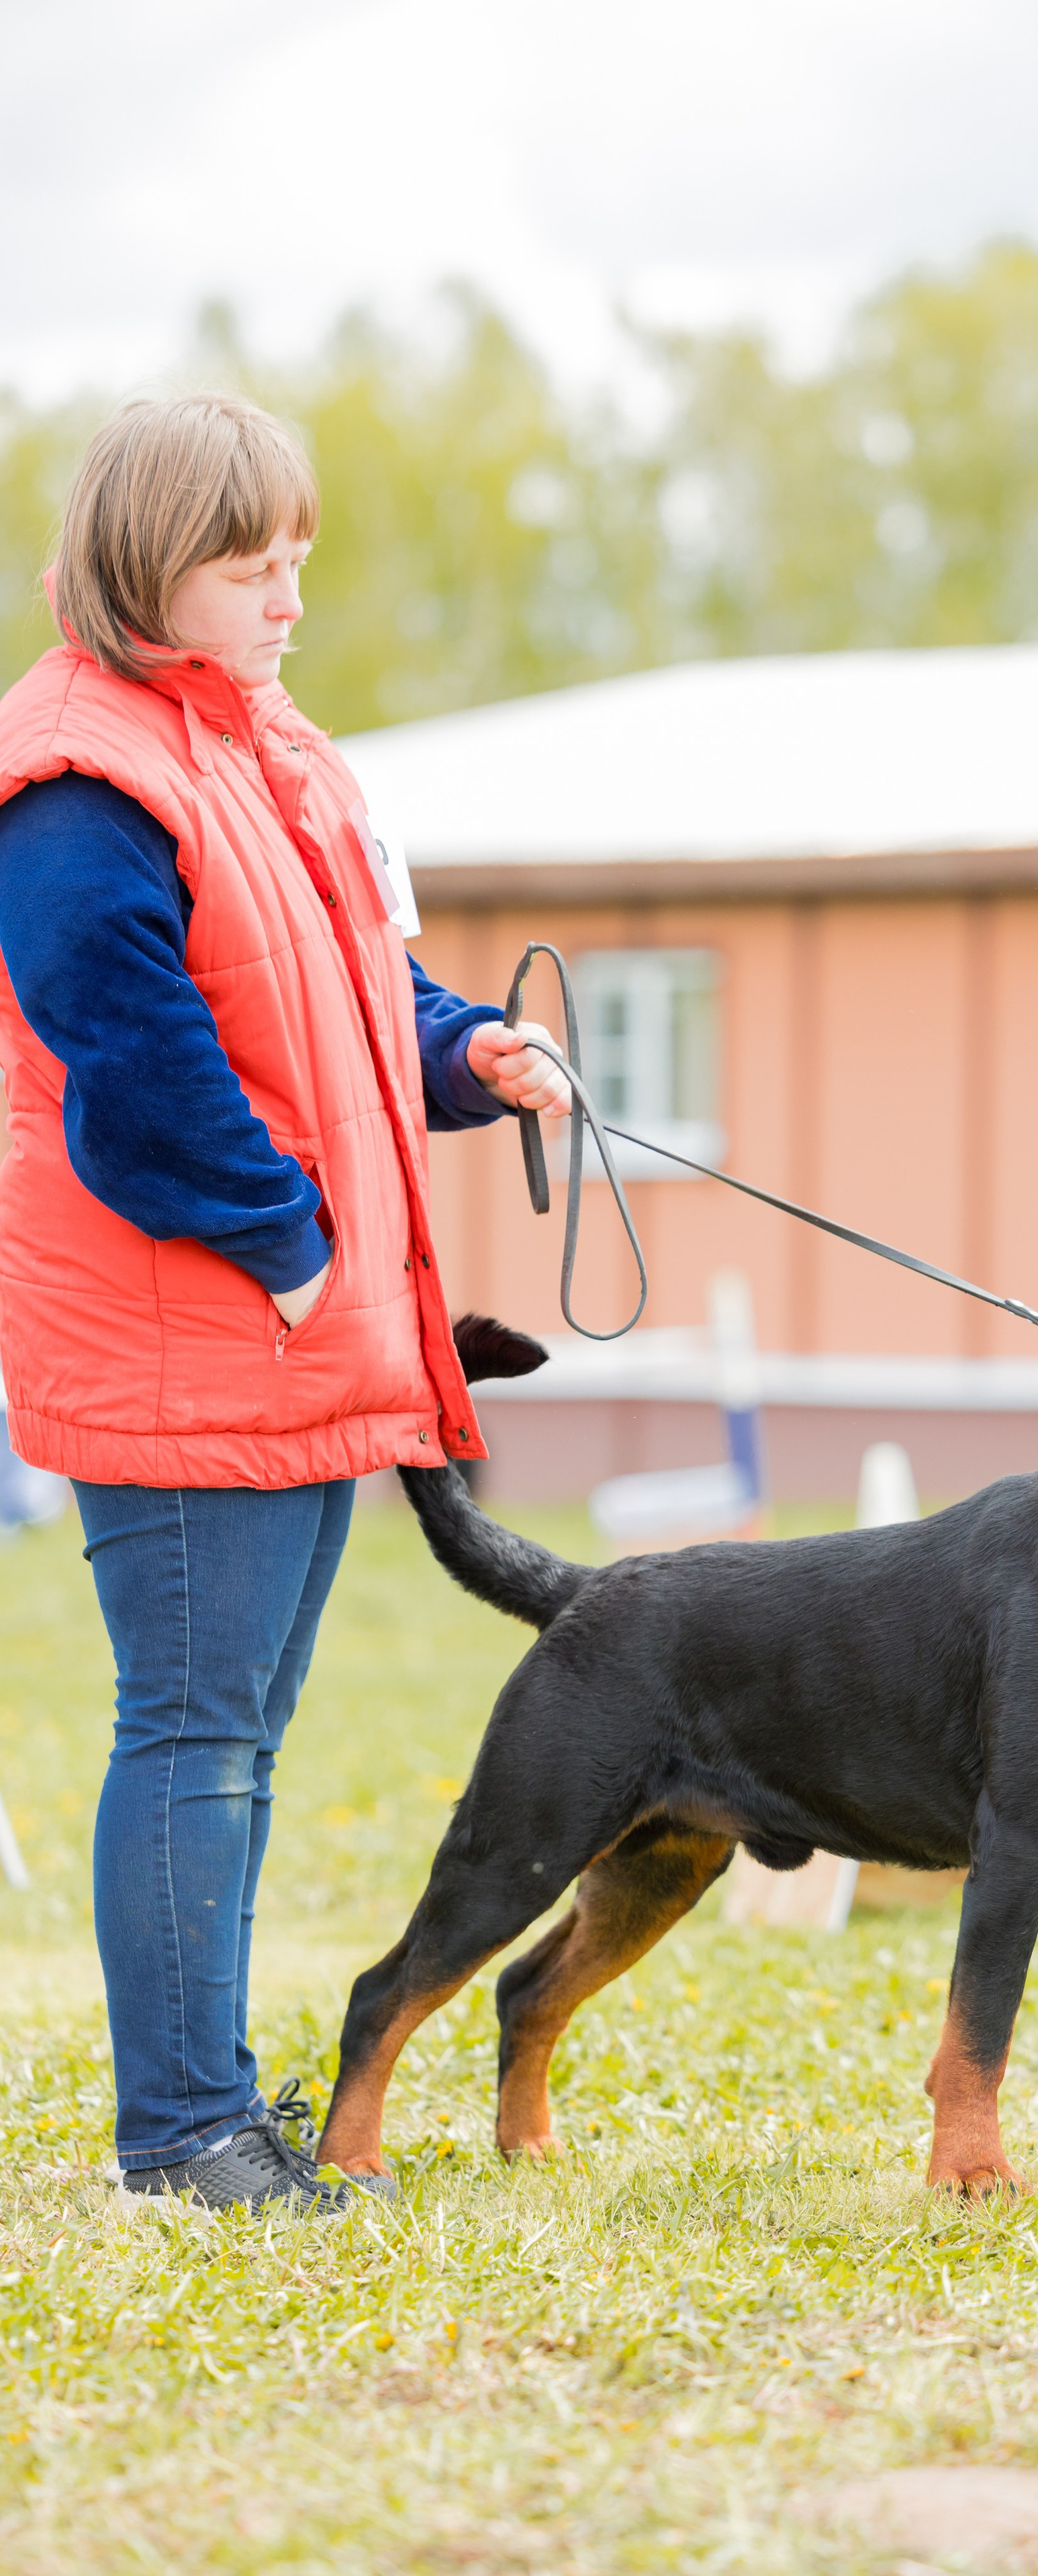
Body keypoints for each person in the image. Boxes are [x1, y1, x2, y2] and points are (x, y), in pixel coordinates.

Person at [0, 395, 573, 2214]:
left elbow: (350, 990)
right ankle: (184, 2139)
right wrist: (285, 1234)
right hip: (196, 1328)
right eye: (254, 566)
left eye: (299, 559)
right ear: (147, 563)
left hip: (285, 1335)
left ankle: (220, 2109)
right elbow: (132, 1053)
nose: (287, 596)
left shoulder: (270, 751)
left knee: (235, 1736)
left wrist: (471, 1051)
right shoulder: (80, 783)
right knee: (194, 1730)